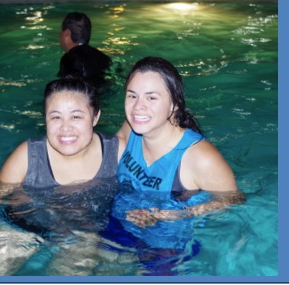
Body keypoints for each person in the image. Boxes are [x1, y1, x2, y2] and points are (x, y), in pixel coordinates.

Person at [0, 75, 126, 276]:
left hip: (82, 233)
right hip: (24, 226)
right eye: (55, 117)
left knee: (79, 260)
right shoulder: (28, 156)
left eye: (76, 116)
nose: (65, 127)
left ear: (95, 116)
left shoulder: (117, 152)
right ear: (44, 118)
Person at [102, 56, 244, 275]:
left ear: (174, 104)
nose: (138, 106)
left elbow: (234, 200)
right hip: (121, 225)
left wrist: (171, 215)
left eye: (152, 97)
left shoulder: (199, 157)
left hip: (166, 244)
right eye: (132, 96)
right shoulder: (130, 130)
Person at [57, 12, 112, 89]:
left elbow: (69, 89)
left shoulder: (69, 58)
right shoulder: (104, 58)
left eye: (61, 33)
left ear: (66, 33)